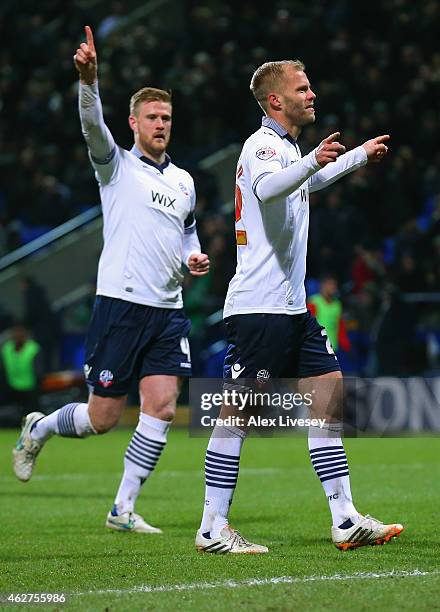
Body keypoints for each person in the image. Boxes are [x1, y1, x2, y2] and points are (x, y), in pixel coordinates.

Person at [195, 60, 403, 554]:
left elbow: (304, 182)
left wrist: (354, 158)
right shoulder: (261, 146)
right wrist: (311, 160)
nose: (312, 94)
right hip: (260, 308)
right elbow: (270, 189)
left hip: (291, 309)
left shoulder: (286, 151)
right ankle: (212, 527)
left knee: (327, 399)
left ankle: (345, 517)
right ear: (275, 101)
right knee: (237, 414)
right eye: (302, 88)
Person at [13, 26, 210, 534]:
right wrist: (89, 81)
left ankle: (122, 508)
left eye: (167, 117)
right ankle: (41, 427)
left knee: (162, 408)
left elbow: (188, 234)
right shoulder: (116, 167)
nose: (161, 124)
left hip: (167, 311)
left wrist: (194, 257)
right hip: (120, 306)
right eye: (152, 117)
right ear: (133, 123)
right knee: (102, 419)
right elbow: (89, 125)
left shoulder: (184, 181)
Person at [0, 323, 44, 422]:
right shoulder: (7, 348)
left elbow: (39, 371)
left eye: (20, 333)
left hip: (30, 387)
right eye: (15, 333)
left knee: (31, 415)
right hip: (10, 386)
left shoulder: (33, 349)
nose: (17, 335)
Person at [307, 276, 351, 354]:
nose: (333, 287)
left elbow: (340, 327)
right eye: (330, 284)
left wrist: (346, 346)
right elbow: (307, 327)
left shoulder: (337, 305)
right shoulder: (314, 302)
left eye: (334, 285)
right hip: (317, 348)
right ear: (323, 285)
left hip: (332, 349)